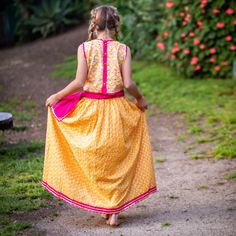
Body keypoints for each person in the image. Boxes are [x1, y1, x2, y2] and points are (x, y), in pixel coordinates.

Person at [42, 5, 158, 227]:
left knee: (94, 159)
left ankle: (106, 205)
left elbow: (78, 82)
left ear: (93, 26)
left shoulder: (84, 48)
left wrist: (57, 96)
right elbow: (128, 84)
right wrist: (140, 99)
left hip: (91, 111)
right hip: (116, 110)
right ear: (116, 26)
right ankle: (113, 210)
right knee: (117, 159)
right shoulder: (123, 49)